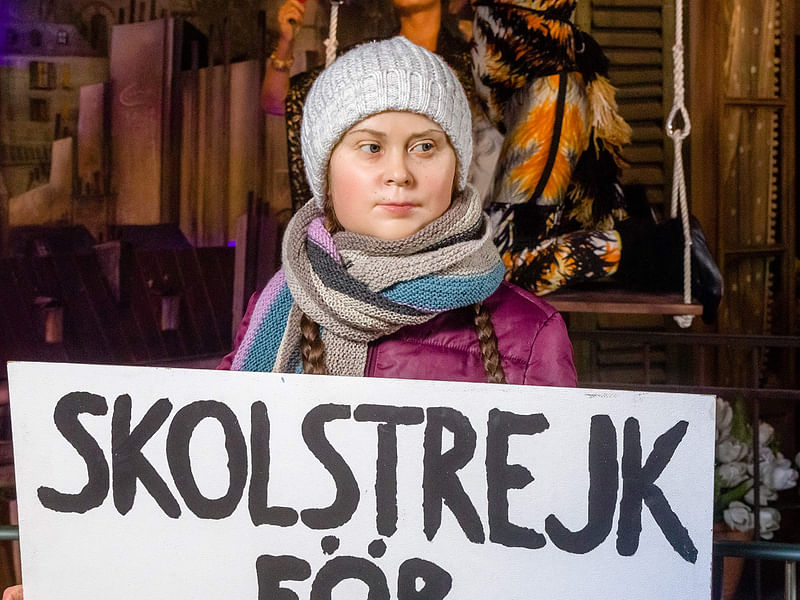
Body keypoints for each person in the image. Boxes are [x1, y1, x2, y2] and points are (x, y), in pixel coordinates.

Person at [220, 36, 576, 386]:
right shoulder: (271, 312)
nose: (399, 174)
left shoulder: (531, 333)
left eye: (424, 146)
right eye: (371, 146)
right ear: (325, 171)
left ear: (457, 168)